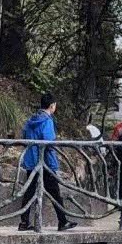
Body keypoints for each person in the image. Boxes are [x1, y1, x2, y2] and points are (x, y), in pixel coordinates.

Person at [18, 93, 77, 232]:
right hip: (45, 162)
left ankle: (24, 222)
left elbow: (25, 135)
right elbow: (49, 141)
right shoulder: (47, 121)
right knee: (55, 192)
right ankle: (63, 222)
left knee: (30, 191)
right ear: (52, 106)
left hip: (32, 160)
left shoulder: (31, 119)